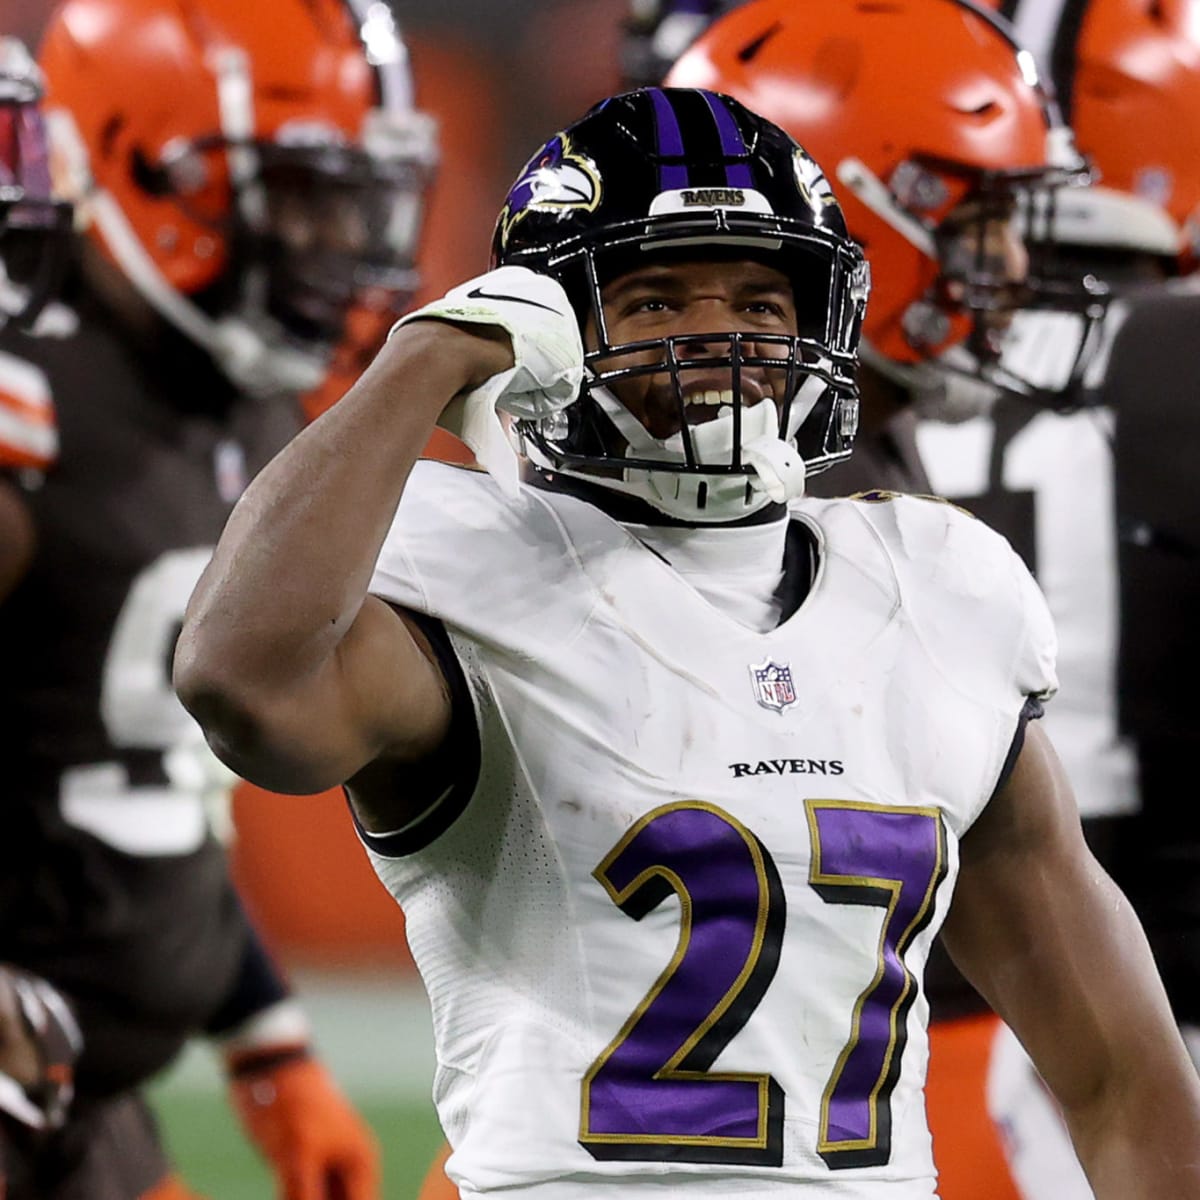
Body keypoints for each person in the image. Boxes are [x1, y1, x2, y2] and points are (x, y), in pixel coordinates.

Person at [175, 83, 1200, 1198]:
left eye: (761, 304)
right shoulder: (473, 565)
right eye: (657, 303)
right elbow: (246, 687)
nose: (719, 338)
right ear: (542, 326)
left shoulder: (939, 589)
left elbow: (1122, 1078)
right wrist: (423, 361)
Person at [0, 0, 436, 1195]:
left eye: (348, 196)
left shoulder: (237, 399)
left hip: (87, 1106)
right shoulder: (26, 403)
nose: (331, 237)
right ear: (138, 164)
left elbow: (142, 789)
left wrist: (267, 1043)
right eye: (295, 193)